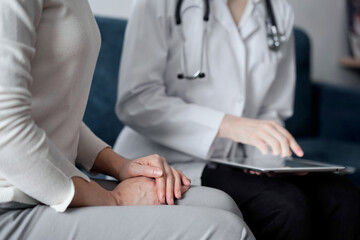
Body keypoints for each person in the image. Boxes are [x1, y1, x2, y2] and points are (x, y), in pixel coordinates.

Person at [0, 0, 256, 239]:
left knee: (222, 204)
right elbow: (6, 130)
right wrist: (114, 200)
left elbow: (52, 112)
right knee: (228, 232)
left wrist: (121, 166)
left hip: (44, 188)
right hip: (12, 200)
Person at [113, 0, 360, 239]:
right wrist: (229, 125)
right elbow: (136, 100)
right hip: (169, 160)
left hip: (236, 159)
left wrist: (268, 161)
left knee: (342, 196)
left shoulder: (278, 10)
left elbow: (271, 110)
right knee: (284, 206)